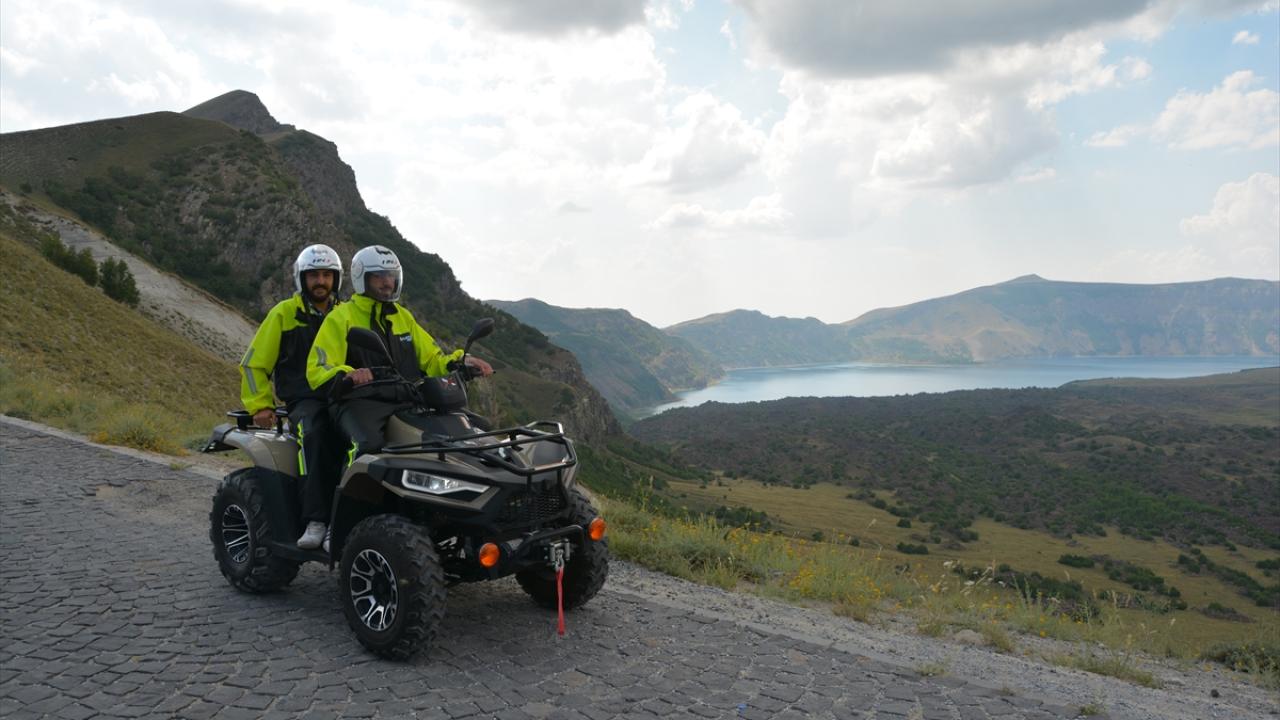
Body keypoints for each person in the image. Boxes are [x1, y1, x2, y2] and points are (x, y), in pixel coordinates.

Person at [306, 245, 493, 468]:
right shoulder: (341, 317)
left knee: (478, 430)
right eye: (379, 276)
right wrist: (349, 374)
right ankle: (348, 489)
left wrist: (461, 361)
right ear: (361, 278)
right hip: (359, 401)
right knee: (367, 446)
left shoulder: (402, 316)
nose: (387, 282)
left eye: (391, 276)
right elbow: (318, 367)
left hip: (407, 399)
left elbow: (432, 360)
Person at [240, 244, 346, 551]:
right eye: (314, 275)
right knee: (314, 434)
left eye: (327, 275)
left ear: (336, 279)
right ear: (301, 278)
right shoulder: (284, 314)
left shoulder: (346, 314)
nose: (321, 281)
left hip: (345, 396)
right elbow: (254, 364)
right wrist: (260, 405)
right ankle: (317, 520)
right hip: (305, 400)